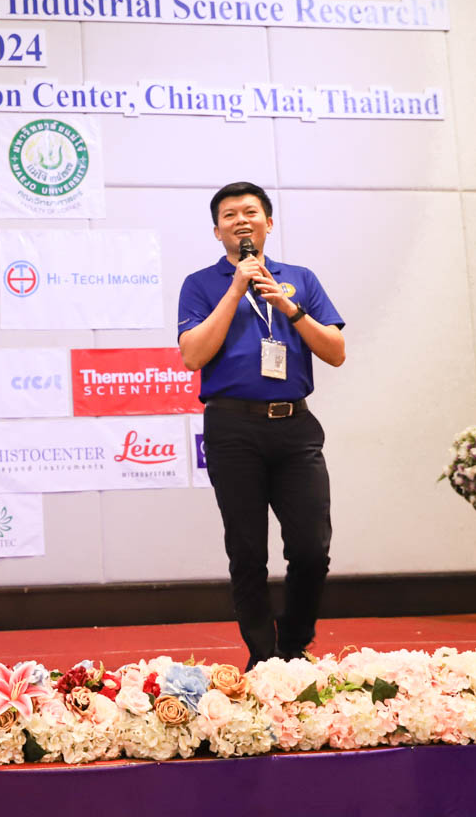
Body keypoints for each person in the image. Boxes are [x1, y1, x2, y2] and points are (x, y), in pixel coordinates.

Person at [176, 182, 346, 669]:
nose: (241, 220)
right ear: (217, 231)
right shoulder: (200, 284)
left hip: (295, 427)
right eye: (229, 215)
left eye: (250, 212)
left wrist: (290, 307)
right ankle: (263, 657)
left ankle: (293, 644)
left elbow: (335, 352)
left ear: (268, 223)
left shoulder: (300, 279)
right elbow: (193, 356)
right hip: (232, 428)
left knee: (311, 548)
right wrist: (237, 288)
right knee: (247, 550)